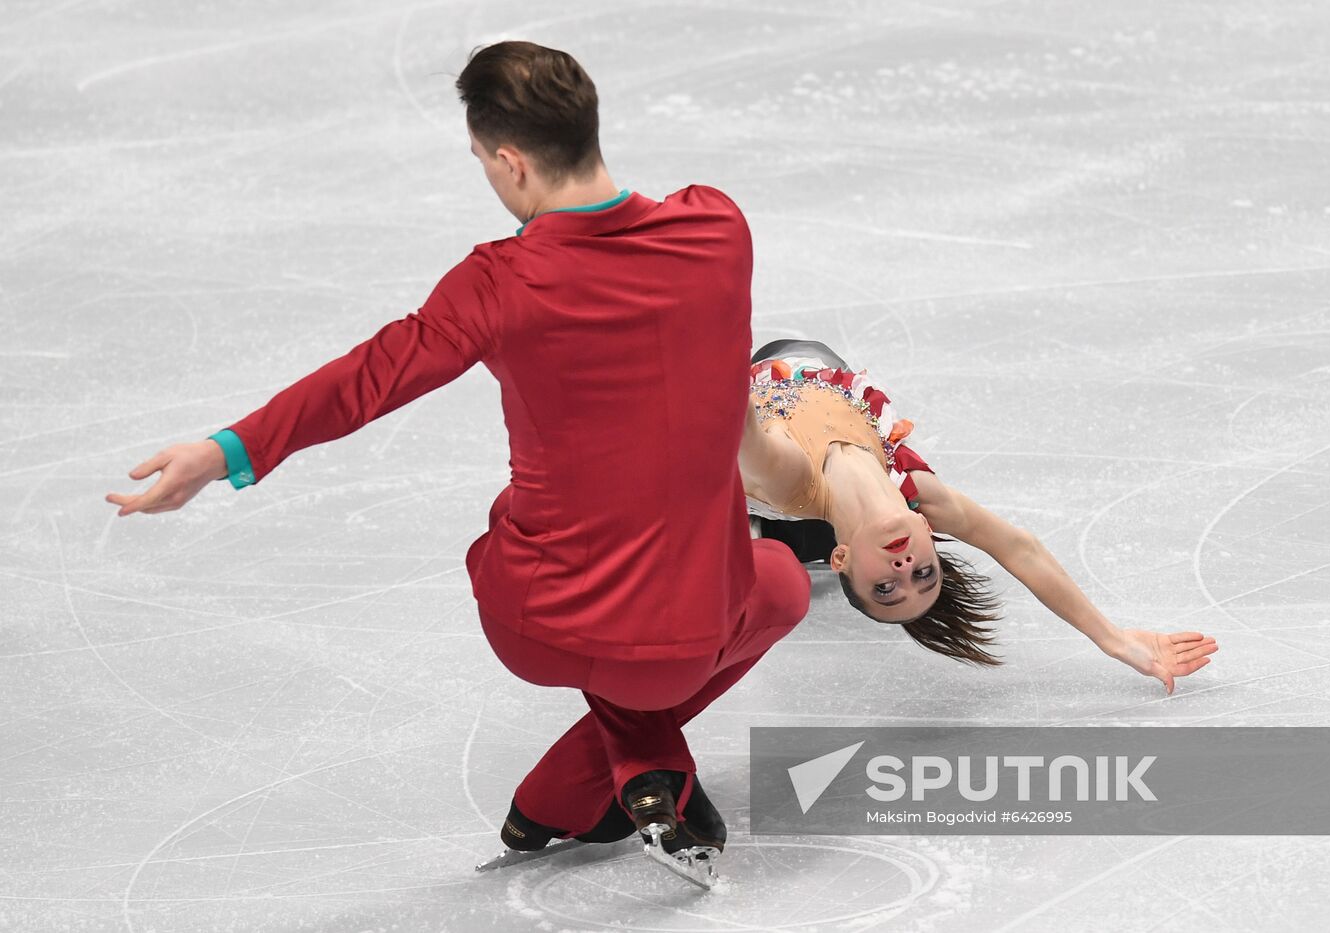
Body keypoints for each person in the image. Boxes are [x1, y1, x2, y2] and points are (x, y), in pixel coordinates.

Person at [104, 40, 809, 887]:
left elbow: (368, 377)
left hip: (534, 621)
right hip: (684, 641)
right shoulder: (717, 228)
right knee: (780, 583)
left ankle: (612, 780)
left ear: (511, 162)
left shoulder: (500, 282)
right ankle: (615, 776)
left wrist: (225, 450)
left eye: (481, 160)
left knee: (502, 543)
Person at [740, 338, 1218, 693]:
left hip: (731, 436)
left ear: (843, 558)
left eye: (885, 588)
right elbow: (1019, 547)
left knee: (765, 523)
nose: (905, 571)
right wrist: (1117, 641)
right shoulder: (922, 496)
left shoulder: (789, 478)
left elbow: (724, 395)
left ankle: (755, 526)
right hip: (812, 364)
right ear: (927, 533)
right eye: (926, 574)